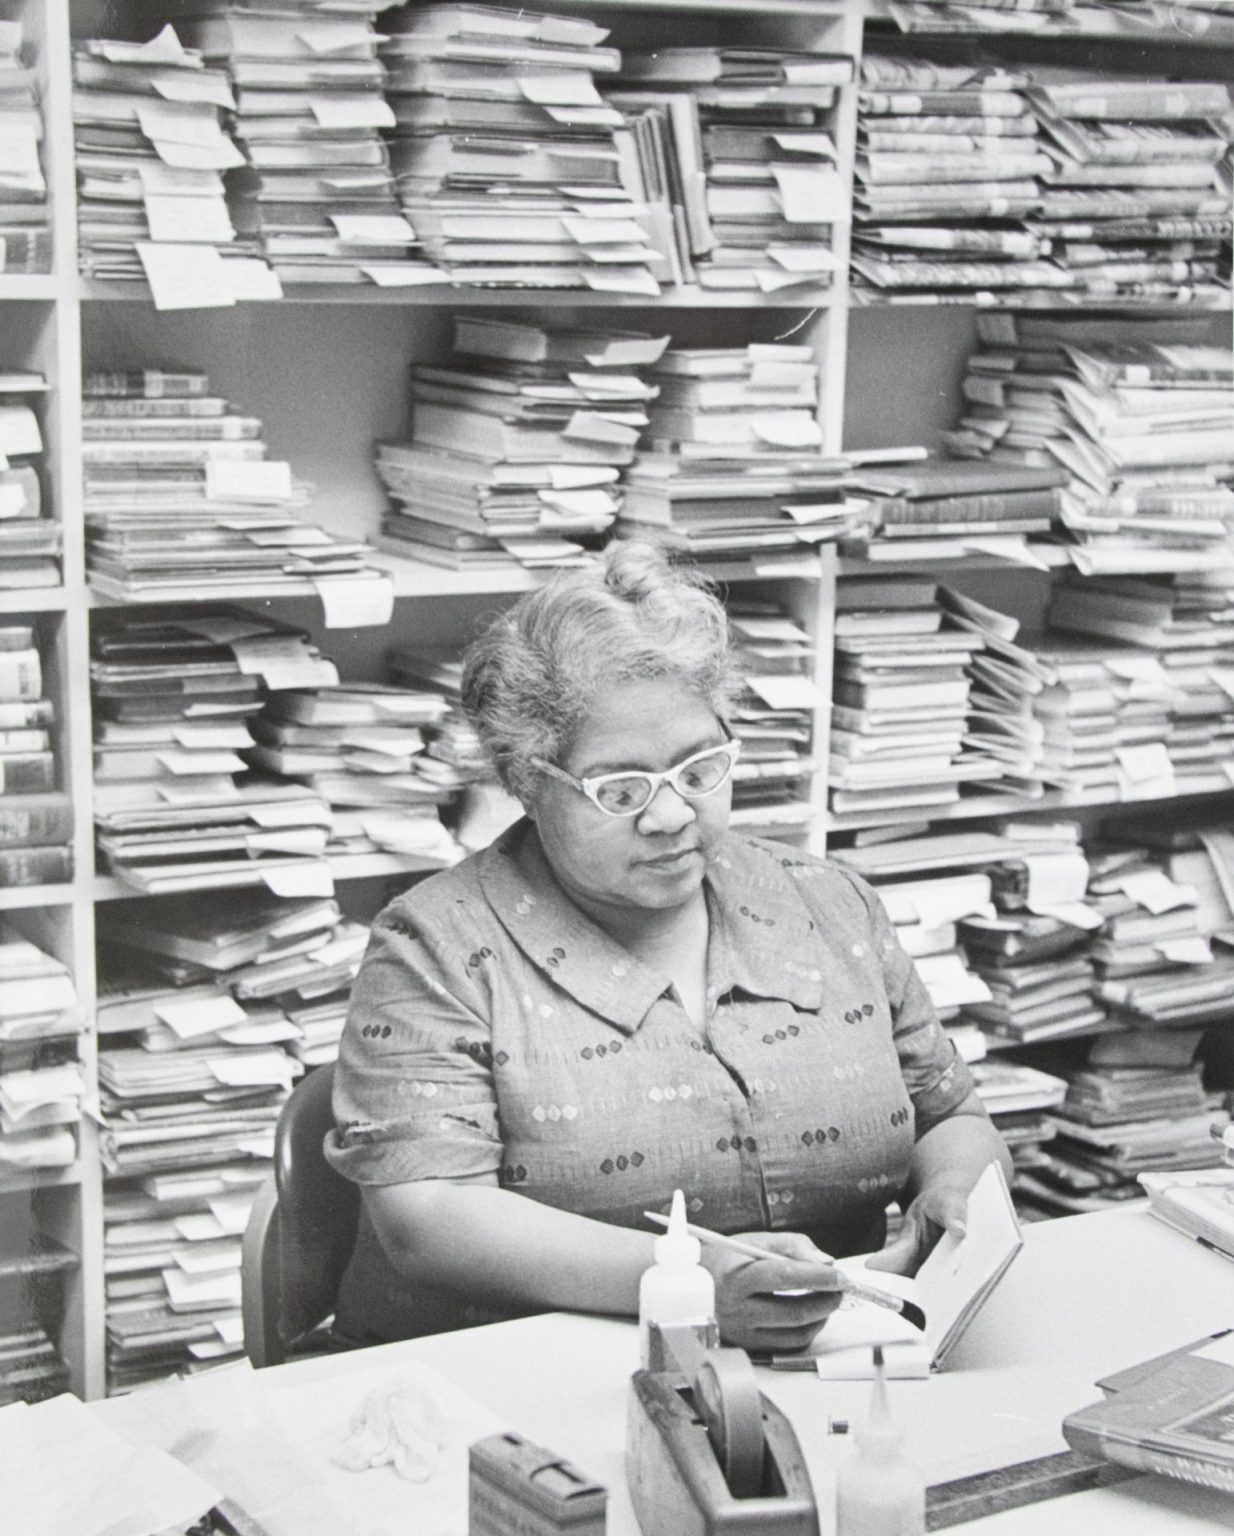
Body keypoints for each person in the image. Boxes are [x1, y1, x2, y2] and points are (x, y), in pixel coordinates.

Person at [325, 542, 1011, 1353]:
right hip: (522, 1379)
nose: (672, 816)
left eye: (700, 769)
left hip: (840, 1360)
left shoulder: (829, 904)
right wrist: (685, 1283)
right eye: (622, 791)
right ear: (529, 782)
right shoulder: (435, 944)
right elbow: (429, 1217)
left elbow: (950, 1112)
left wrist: (956, 1192)